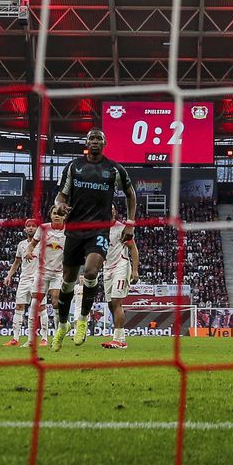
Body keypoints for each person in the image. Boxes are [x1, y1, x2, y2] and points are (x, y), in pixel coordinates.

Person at [50, 128, 136, 352]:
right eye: (92, 138)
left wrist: (130, 222)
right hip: (75, 230)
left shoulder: (114, 169)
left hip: (99, 230)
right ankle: (62, 325)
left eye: (99, 139)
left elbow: (131, 194)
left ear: (104, 143)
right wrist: (58, 204)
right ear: (86, 142)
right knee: (67, 281)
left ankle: (83, 320)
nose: (95, 141)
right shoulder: (73, 166)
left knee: (89, 272)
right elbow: (62, 194)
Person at [25, 206, 68, 348]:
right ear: (51, 215)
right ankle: (31, 339)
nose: (57, 216)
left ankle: (57, 336)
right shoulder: (43, 228)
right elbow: (32, 245)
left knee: (56, 302)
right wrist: (29, 251)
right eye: (54, 213)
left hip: (58, 273)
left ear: (64, 217)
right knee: (36, 302)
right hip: (42, 271)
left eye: (60, 214)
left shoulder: (68, 231)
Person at [102, 206, 140, 350]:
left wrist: (135, 270)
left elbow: (133, 248)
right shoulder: (99, 230)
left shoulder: (122, 228)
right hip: (107, 269)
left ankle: (118, 340)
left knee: (117, 302)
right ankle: (121, 337)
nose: (109, 210)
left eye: (112, 208)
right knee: (111, 304)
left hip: (121, 265)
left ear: (114, 212)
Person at [2, 218, 39, 347]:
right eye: (28, 226)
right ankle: (15, 338)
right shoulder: (21, 244)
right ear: (24, 229)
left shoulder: (42, 243)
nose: (30, 228)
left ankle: (31, 339)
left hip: (37, 279)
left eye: (33, 226)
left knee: (35, 309)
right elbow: (17, 262)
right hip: (24, 279)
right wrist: (9, 276)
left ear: (37, 229)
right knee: (19, 307)